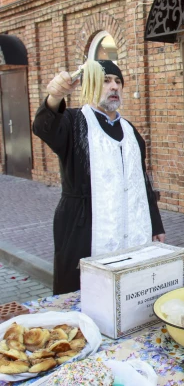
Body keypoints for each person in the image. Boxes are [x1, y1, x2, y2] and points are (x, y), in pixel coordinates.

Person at [32, 60, 165, 295]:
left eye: (117, 81)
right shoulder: (74, 123)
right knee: (86, 297)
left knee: (131, 292)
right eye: (105, 81)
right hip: (85, 230)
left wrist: (155, 224)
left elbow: (140, 181)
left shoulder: (131, 131)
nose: (114, 86)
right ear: (91, 85)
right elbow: (45, 127)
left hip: (133, 230)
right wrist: (54, 98)